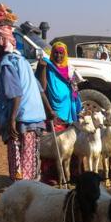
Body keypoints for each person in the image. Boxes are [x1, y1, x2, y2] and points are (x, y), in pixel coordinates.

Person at [0, 25, 49, 182]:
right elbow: (40, 89)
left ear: (2, 42)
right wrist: (49, 111)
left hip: (20, 119)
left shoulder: (7, 64)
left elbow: (15, 94)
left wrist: (11, 120)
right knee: (30, 162)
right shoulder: (21, 61)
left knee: (19, 166)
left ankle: (23, 197)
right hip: (33, 117)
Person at [36, 41, 84, 185]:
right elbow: (42, 88)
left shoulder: (69, 69)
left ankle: (73, 175)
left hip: (70, 112)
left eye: (61, 53)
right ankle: (52, 177)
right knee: (54, 145)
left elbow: (75, 89)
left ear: (65, 54)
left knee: (73, 146)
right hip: (55, 113)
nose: (58, 55)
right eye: (55, 52)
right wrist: (42, 68)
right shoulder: (48, 68)